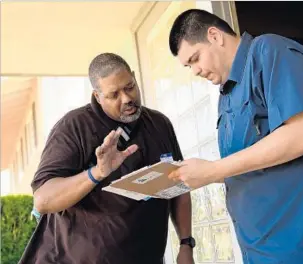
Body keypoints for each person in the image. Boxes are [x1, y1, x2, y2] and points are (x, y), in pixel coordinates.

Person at [168, 9, 303, 264]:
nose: (194, 71)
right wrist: (200, 173)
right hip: (264, 253)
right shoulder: (225, 97)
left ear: (214, 36)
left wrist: (214, 170)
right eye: (188, 66)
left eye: (195, 58)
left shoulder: (271, 51)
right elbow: (254, 165)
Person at [20, 53, 195, 264]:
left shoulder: (159, 124)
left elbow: (179, 184)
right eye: (114, 95)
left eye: (130, 86)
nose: (127, 98)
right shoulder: (74, 127)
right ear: (97, 96)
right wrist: (97, 173)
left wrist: (186, 244)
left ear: (134, 76)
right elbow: (43, 200)